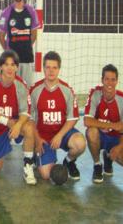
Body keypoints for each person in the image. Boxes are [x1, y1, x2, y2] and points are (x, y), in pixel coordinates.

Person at [30, 51, 86, 180]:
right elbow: (30, 120)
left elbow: (72, 118)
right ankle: (37, 155)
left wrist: (59, 135)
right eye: (48, 67)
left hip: (62, 133)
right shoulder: (35, 90)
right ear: (43, 68)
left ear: (59, 69)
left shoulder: (67, 90)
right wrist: (37, 139)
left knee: (80, 144)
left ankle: (69, 161)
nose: (51, 71)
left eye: (54, 67)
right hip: (43, 137)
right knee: (45, 175)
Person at [0, 50, 37, 185]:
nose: (10, 68)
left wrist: (18, 125)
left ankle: (28, 165)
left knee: (29, 127)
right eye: (6, 64)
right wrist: (7, 122)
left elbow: (25, 112)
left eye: (13, 65)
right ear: (0, 66)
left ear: (17, 67)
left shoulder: (21, 85)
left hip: (16, 123)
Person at [84, 64, 123, 183]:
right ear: (102, 80)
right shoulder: (95, 94)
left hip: (115, 138)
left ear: (117, 81)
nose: (109, 83)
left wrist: (118, 148)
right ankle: (97, 165)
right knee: (91, 131)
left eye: (113, 79)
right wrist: (113, 125)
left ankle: (108, 157)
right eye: (107, 79)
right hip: (100, 136)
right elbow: (87, 121)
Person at [0, 0, 40, 87]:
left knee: (27, 89)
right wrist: (8, 52)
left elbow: (34, 35)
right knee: (11, 89)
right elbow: (1, 37)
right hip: (11, 62)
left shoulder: (31, 11)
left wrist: (25, 46)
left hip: (27, 58)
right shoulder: (6, 12)